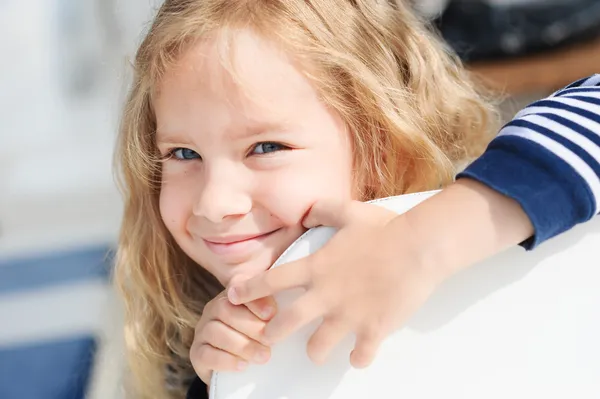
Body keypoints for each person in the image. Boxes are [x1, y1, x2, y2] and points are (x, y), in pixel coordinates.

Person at [112, 1, 600, 398]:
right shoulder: (198, 344)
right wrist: (220, 384)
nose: (214, 203)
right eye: (183, 153)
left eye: (266, 147)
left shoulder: (483, 243)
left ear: (383, 145)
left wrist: (418, 244)